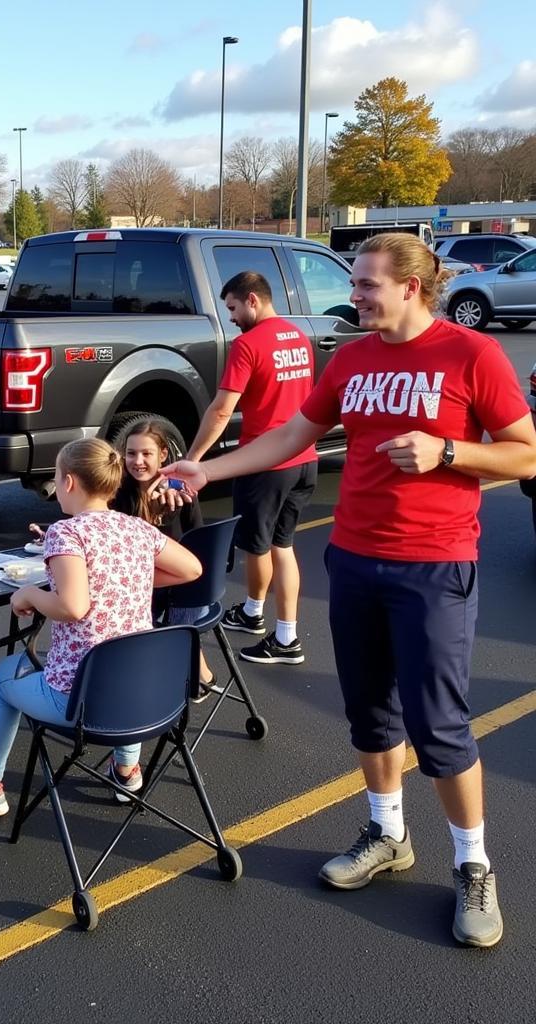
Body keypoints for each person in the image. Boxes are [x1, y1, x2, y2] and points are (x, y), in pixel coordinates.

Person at [163, 233, 536, 947]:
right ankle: (387, 833)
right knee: (369, 712)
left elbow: (526, 452)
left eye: (366, 284)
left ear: (411, 289)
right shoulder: (354, 358)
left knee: (441, 726)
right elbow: (292, 435)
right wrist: (206, 471)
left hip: (435, 565)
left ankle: (473, 863)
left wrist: (448, 450)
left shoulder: (470, 354)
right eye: (357, 282)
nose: (354, 294)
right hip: (355, 559)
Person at [0, 438, 202, 818]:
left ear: (69, 482)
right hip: (145, 698)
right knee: (126, 657)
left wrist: (29, 593)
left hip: (81, 700)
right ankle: (126, 770)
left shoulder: (67, 532)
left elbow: (72, 606)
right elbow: (192, 569)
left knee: (3, 676)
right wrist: (129, 578)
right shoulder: (136, 527)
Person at [185, 271, 317, 667]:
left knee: (256, 547)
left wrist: (194, 458)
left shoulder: (247, 345)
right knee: (283, 546)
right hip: (303, 459)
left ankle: (260, 618)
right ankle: (282, 630)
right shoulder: (298, 336)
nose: (231, 317)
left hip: (265, 462)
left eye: (232, 308)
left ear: (253, 300)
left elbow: (222, 408)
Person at [111, 419, 215, 701]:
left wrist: (165, 515)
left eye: (146, 454)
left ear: (163, 456)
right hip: (141, 587)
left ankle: (183, 665)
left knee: (176, 622)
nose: (138, 461)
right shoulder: (119, 494)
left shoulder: (180, 493)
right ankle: (195, 667)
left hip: (180, 589)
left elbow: (200, 546)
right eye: (131, 453)